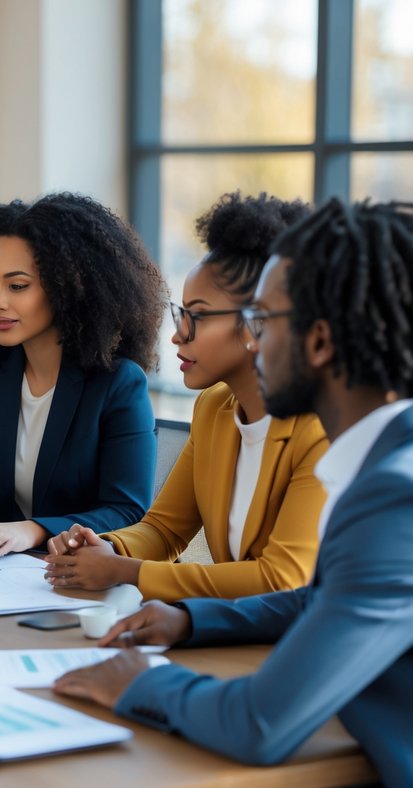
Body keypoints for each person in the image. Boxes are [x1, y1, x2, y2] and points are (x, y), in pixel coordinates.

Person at [54, 198, 413, 788]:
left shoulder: (394, 497)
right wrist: (193, 621)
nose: (254, 337)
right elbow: (320, 599)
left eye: (264, 320)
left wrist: (137, 682)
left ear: (321, 342)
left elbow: (260, 725)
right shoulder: (389, 459)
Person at [43, 193, 327, 601]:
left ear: (257, 323)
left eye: (196, 316)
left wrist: (127, 571)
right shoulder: (214, 409)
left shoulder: (317, 428)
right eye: (181, 314)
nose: (178, 334)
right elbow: (163, 528)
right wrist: (105, 546)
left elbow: (281, 579)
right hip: (236, 632)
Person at [0, 193, 165, 558]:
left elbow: (128, 511)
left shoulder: (118, 384)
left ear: (67, 289)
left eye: (17, 286)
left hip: (84, 579)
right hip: (4, 575)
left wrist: (33, 530)